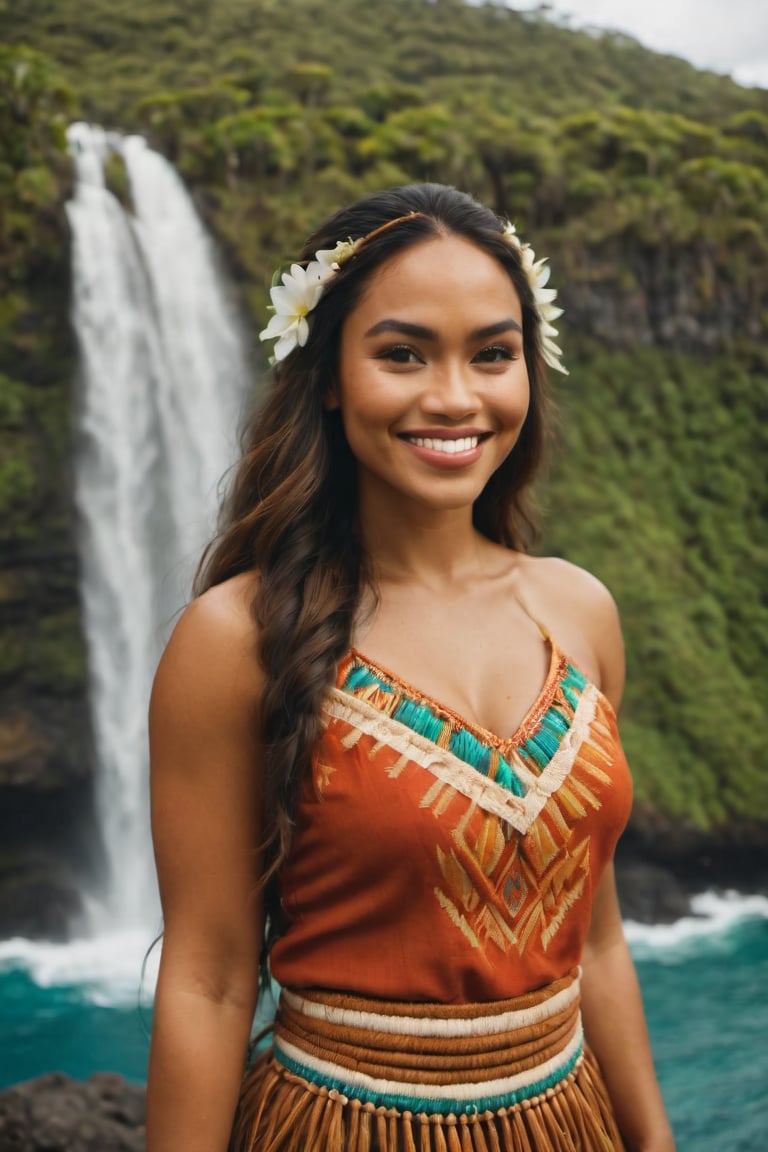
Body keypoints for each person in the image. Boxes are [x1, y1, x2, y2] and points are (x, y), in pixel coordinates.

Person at [145, 183, 676, 1152]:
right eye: (402, 354)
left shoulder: (580, 612)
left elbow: (595, 941)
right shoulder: (235, 641)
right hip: (338, 1129)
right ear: (329, 375)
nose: (455, 398)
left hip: (572, 1124)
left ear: (530, 366)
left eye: (492, 354)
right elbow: (210, 980)